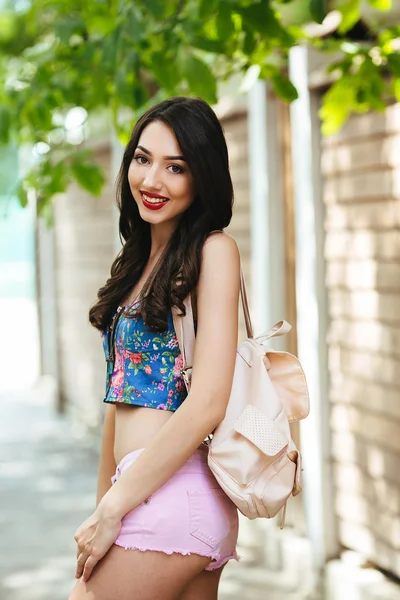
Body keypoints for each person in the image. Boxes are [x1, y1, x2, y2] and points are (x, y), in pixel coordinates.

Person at [69, 95, 241, 600]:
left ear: (202, 176)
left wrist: (114, 508)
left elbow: (207, 401)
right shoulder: (138, 263)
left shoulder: (215, 250)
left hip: (173, 493)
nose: (152, 180)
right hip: (143, 494)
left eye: (176, 167)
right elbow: (116, 404)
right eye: (143, 159)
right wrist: (102, 507)